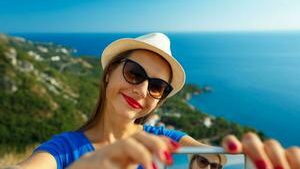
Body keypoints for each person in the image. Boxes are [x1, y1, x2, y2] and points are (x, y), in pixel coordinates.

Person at [12, 33, 300, 169]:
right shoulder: (63, 150)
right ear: (110, 73)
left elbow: (212, 155)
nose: (142, 90)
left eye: (157, 86)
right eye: (134, 73)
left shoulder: (165, 143)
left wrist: (247, 161)